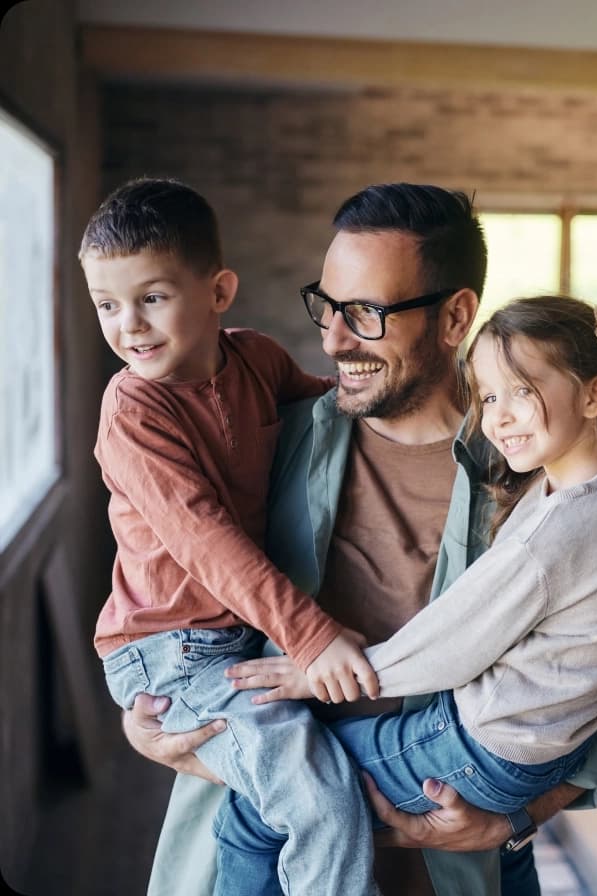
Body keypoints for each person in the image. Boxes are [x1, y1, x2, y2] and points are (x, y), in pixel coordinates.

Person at [123, 184, 597, 896]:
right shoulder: (272, 441)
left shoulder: (542, 473)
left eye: (366, 314)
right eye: (328, 305)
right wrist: (146, 724)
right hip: (268, 853)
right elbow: (168, 600)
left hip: (458, 866)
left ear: (455, 317)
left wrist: (521, 817)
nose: (333, 338)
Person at [221, 293, 597, 892]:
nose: (499, 416)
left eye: (522, 390)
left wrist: (319, 676)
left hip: (486, 747)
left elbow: (452, 645)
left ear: (594, 395)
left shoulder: (555, 534)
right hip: (543, 746)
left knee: (267, 789)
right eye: (488, 395)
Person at [81, 176, 385, 896]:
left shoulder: (256, 359)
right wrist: (312, 634)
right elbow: (206, 542)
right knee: (321, 799)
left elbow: (330, 408)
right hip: (167, 652)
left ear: (218, 291)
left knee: (331, 765)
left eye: (151, 297)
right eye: (106, 305)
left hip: (237, 638)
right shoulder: (131, 411)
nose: (129, 325)